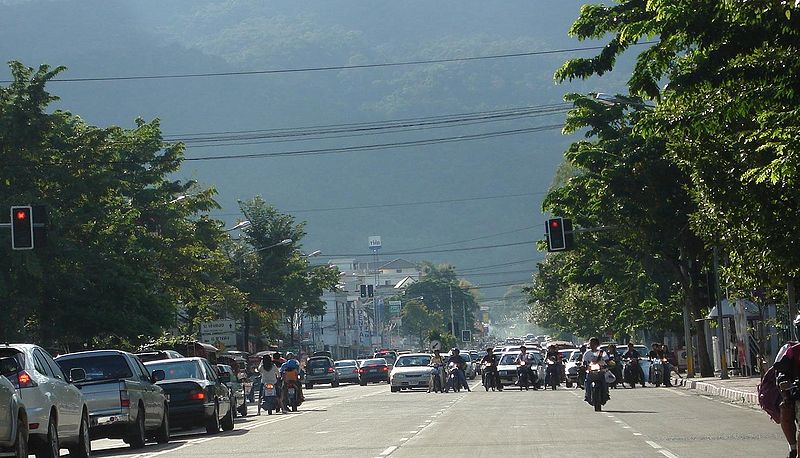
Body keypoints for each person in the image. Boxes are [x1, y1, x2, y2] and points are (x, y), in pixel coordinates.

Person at [774, 317, 800, 458]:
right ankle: (794, 448)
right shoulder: (790, 350)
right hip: (797, 392)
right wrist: (784, 381)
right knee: (786, 409)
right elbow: (781, 371)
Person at [582, 337, 609, 405]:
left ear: (597, 344)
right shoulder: (587, 353)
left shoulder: (602, 353)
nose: (592, 345)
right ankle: (587, 395)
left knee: (605, 382)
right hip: (590, 372)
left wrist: (607, 365)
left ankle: (606, 394)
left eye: (594, 344)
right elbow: (584, 362)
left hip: (601, 371)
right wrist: (583, 366)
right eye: (591, 344)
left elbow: (607, 361)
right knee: (587, 382)